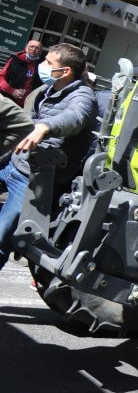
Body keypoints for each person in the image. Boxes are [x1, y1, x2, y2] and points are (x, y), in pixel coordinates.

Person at [0, 43, 97, 271]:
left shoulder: (83, 96)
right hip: (14, 162)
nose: (41, 66)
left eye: (48, 63)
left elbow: (76, 117)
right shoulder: (45, 91)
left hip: (34, 178)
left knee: (3, 232)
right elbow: (25, 121)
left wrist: (45, 126)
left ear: (65, 72)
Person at [0, 39, 43, 107]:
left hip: (27, 105)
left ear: (40, 51)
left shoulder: (42, 65)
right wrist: (12, 91)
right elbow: (1, 77)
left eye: (37, 48)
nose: (34, 49)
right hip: (7, 100)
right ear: (26, 48)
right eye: (31, 46)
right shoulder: (14, 60)